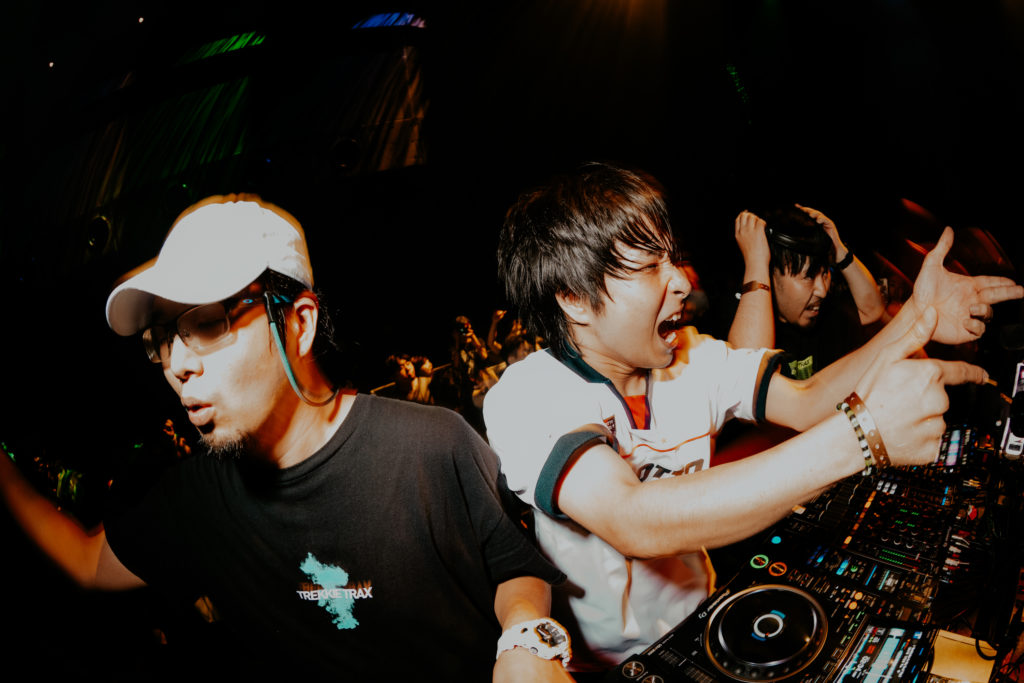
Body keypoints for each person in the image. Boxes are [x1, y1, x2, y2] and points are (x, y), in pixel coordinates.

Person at [0, 194, 575, 681]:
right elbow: (85, 560)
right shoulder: (195, 499)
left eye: (207, 323)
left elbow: (513, 567)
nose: (176, 364)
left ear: (299, 323)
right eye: (163, 338)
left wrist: (525, 640)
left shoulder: (429, 444)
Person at [482, 162, 1022, 674]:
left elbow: (808, 399)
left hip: (704, 624)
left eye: (673, 260)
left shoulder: (693, 357)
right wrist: (863, 436)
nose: (679, 283)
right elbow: (632, 519)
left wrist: (917, 322)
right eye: (649, 267)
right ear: (574, 299)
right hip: (608, 667)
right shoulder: (531, 394)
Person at [729, 204, 887, 378]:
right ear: (768, 275)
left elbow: (871, 310)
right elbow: (747, 374)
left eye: (825, 273)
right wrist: (756, 261)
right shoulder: (741, 321)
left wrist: (838, 248)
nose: (822, 291)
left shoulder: (823, 313)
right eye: (809, 276)